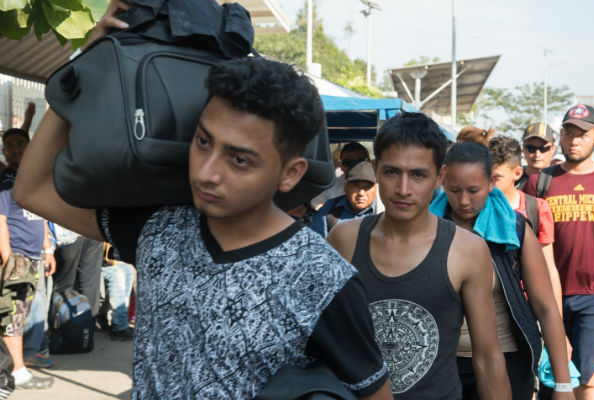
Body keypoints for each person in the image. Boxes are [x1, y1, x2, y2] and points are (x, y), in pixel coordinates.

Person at [12, 3, 392, 398]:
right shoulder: (159, 231)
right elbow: (32, 190)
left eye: (239, 159)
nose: (206, 172)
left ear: (291, 173)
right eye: (203, 142)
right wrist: (85, 63)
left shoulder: (321, 278)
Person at [327, 112, 511, 399]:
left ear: (439, 176)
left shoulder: (467, 250)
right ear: (375, 169)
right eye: (391, 172)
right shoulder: (343, 239)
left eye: (418, 175)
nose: (403, 189)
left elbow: (488, 357)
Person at [433, 132, 574, 400]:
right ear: (442, 179)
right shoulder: (426, 230)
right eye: (454, 190)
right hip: (443, 365)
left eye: (473, 191)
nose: (464, 201)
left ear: (490, 184)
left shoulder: (514, 230)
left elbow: (545, 308)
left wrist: (563, 385)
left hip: (508, 361)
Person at [523, 105, 594, 400]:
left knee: (589, 377)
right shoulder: (539, 182)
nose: (575, 140)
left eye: (582, 134)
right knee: (550, 376)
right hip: (547, 296)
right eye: (569, 132)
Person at [0, 128, 55, 389]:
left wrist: (48, 248)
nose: (15, 149)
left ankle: (15, 367)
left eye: (20, 144)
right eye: (9, 145)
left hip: (33, 256)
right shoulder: (5, 180)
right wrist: (8, 258)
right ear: (4, 150)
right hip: (17, 258)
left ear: (29, 145)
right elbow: (0, 221)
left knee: (21, 312)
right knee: (13, 315)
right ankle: (18, 371)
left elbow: (41, 212)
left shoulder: (32, 177)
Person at [488, 135, 563, 314]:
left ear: (517, 173)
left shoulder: (537, 208)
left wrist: (557, 318)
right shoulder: (476, 208)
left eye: (496, 178)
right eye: (485, 177)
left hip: (528, 306)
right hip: (490, 306)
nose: (489, 186)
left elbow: (549, 268)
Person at [310, 161, 378, 237]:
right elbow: (316, 243)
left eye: (367, 187)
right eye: (356, 186)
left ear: (376, 189)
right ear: (345, 188)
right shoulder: (330, 208)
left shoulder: (385, 210)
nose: (361, 193)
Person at [311, 142, 371, 209]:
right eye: (347, 162)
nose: (353, 166)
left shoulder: (378, 186)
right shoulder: (332, 186)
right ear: (341, 166)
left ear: (368, 163)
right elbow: (315, 203)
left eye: (358, 162)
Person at [101, 243, 135, 340]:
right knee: (117, 274)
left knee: (129, 269)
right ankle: (119, 325)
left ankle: (121, 320)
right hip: (92, 263)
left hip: (102, 262)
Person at [516, 122, 556, 189]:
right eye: (531, 148)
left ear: (553, 149)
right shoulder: (512, 180)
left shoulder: (561, 180)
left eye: (543, 148)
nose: (537, 154)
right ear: (523, 149)